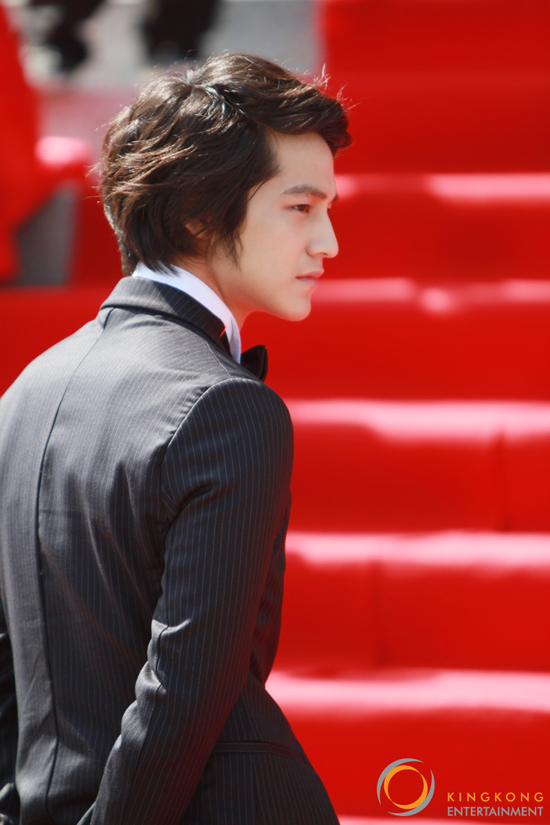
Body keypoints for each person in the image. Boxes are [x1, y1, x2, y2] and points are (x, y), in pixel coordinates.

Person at [0, 53, 350, 824]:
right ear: (197, 211)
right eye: (300, 207)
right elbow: (183, 692)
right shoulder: (228, 406)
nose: (327, 242)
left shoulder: (24, 391)